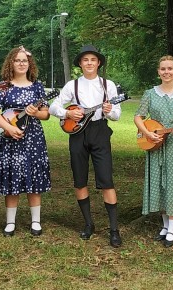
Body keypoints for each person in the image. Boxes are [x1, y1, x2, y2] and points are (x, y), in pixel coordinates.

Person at [50, 45, 123, 247]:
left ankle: (114, 230)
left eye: (93, 59)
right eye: (85, 60)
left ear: (98, 63)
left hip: (100, 132)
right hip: (77, 134)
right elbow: (53, 106)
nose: (89, 63)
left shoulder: (108, 85)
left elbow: (117, 114)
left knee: (106, 180)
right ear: (80, 64)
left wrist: (108, 110)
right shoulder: (72, 85)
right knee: (80, 179)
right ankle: (89, 224)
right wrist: (67, 113)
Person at [0, 46, 52, 237]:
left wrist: (36, 113)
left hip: (33, 137)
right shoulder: (3, 86)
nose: (22, 63)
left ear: (29, 64)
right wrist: (8, 128)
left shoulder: (37, 86)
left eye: (25, 60)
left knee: (34, 175)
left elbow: (46, 114)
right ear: (11, 63)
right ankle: (10, 222)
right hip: (10, 137)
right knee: (12, 177)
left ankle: (36, 221)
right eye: (17, 60)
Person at [134, 55, 173, 247]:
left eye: (170, 68)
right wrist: (147, 133)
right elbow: (138, 116)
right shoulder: (150, 94)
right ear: (158, 72)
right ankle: (164, 225)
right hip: (155, 142)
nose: (166, 72)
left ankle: (172, 228)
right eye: (163, 69)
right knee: (159, 181)